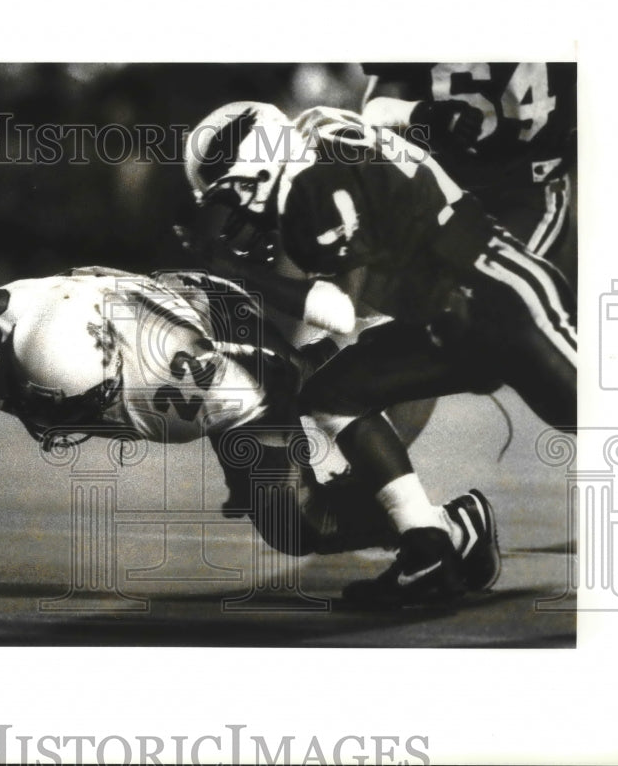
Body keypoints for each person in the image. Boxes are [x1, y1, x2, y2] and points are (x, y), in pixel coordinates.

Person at [0, 265, 499, 584]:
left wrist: (261, 465)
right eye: (42, 399)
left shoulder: (178, 370)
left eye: (79, 403)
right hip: (148, 305)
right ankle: (433, 527)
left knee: (299, 520)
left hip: (218, 326)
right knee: (294, 499)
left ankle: (449, 523)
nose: (68, 419)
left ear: (111, 373)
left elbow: (287, 377)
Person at [184, 101, 573, 604]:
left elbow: (341, 312)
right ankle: (427, 544)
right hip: (445, 319)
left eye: (235, 193)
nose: (238, 213)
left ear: (259, 165)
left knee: (600, 419)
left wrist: (236, 273)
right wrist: (420, 112)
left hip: (498, 300)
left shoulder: (308, 188)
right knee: (334, 393)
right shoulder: (317, 136)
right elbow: (386, 114)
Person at [359, 62, 576, 288]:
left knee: (494, 296)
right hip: (437, 191)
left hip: (526, 193)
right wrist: (421, 115)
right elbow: (372, 115)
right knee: (419, 305)